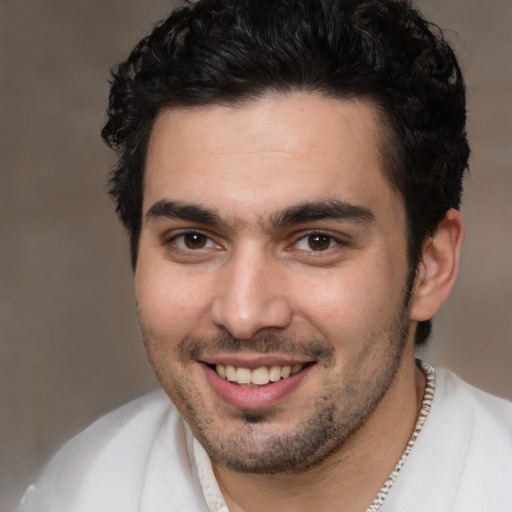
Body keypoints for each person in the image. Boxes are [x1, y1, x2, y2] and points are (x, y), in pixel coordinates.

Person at [18, 0, 512, 511]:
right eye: (194, 239)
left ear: (430, 266)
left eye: (317, 241)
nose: (244, 314)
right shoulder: (78, 493)